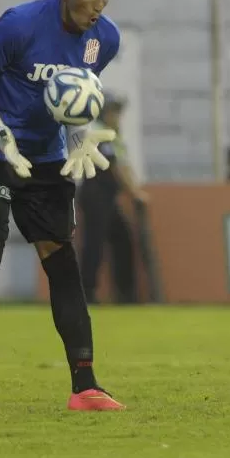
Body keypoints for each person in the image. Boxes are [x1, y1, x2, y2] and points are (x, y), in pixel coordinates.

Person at [0, 0, 125, 413]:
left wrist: (80, 135)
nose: (98, 7)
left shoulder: (103, 41)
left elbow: (73, 99)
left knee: (59, 255)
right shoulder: (21, 24)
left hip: (46, 159)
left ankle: (85, 386)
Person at [78, 91, 148, 305]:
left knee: (122, 240)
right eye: (114, 111)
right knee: (94, 244)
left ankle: (125, 293)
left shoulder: (112, 134)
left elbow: (124, 165)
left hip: (107, 196)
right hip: (95, 194)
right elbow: (115, 167)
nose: (118, 116)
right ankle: (86, 294)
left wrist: (133, 187)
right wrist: (135, 193)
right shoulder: (99, 133)